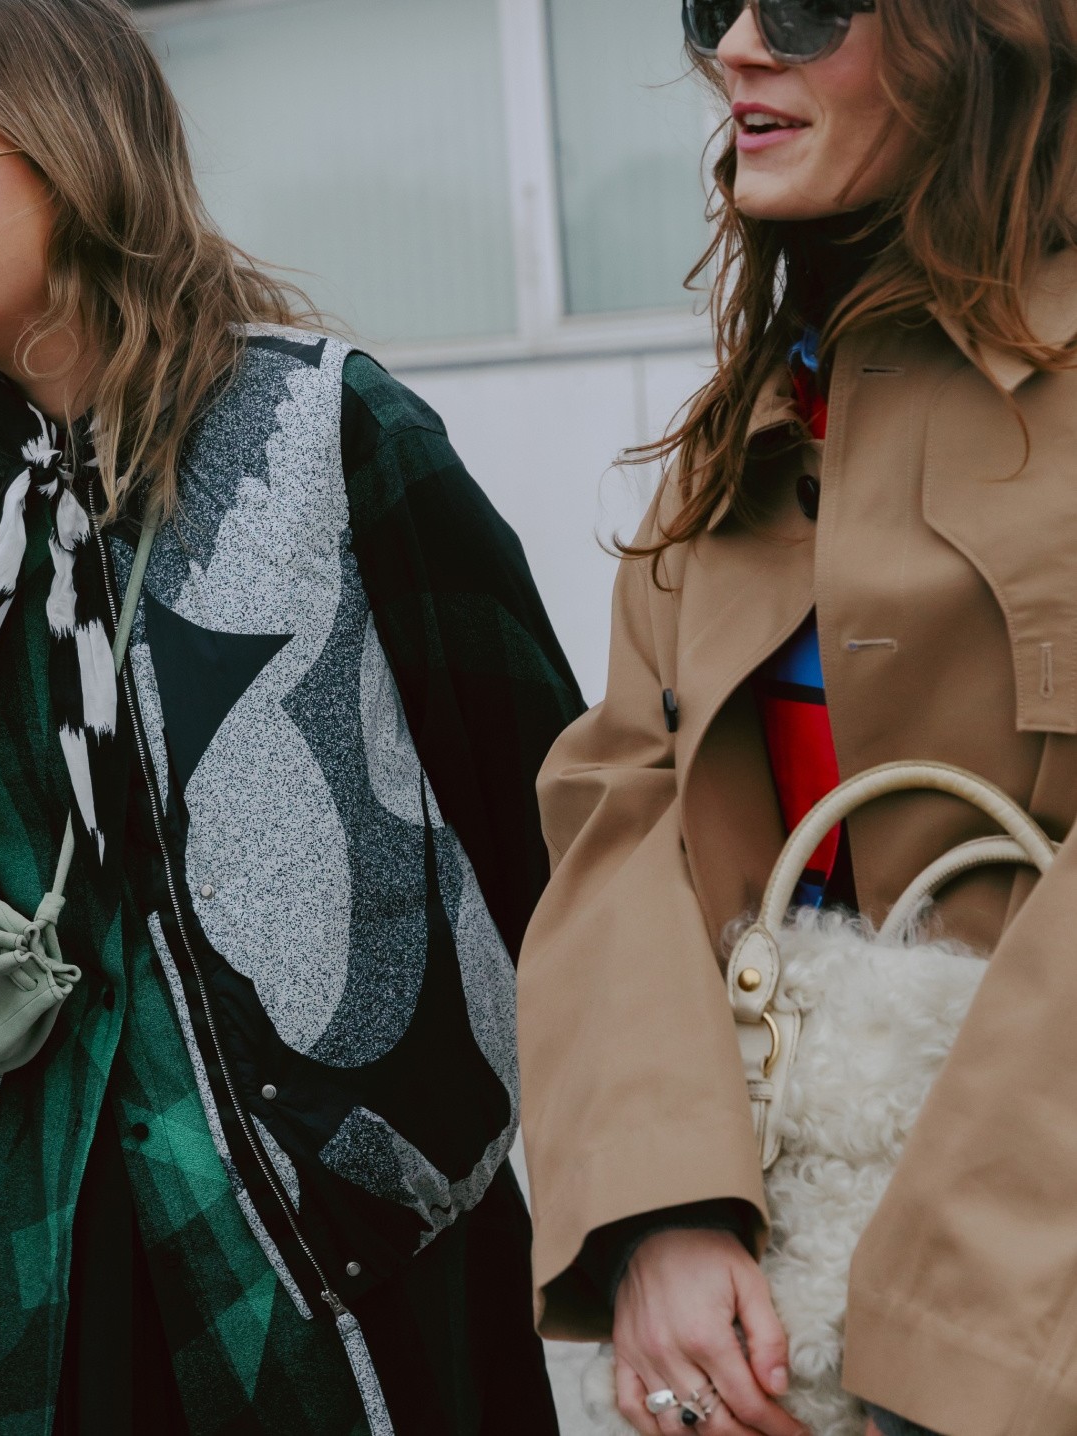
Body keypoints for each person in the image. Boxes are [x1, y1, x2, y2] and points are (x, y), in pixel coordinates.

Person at [0, 1, 583, 1431]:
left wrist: (651, 1200)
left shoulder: (329, 434)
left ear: (73, 154)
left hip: (333, 1230)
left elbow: (558, 836)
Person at [517, 1, 1077, 1434]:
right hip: (774, 1326)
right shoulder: (745, 427)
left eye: (815, 5)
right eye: (717, 4)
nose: (741, 48)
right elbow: (619, 805)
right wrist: (663, 1212)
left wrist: (958, 1332)